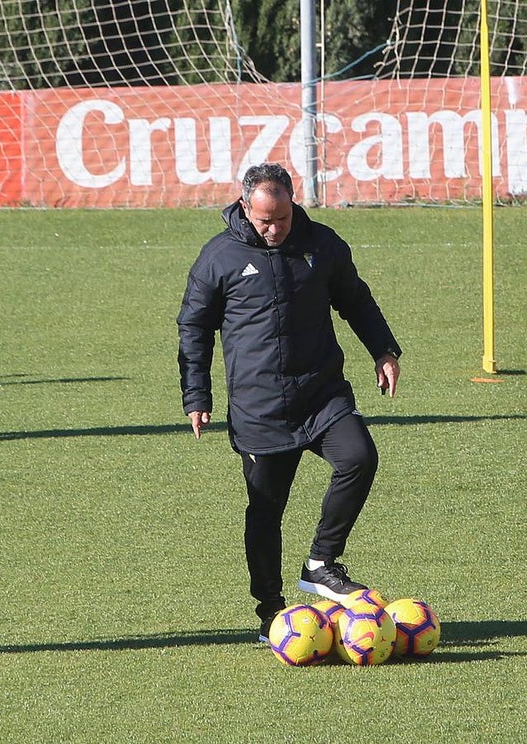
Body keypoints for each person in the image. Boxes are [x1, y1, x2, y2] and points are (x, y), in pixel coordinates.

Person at [177, 162, 402, 640]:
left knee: (359, 457)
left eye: (282, 218)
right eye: (265, 221)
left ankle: (321, 561)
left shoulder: (321, 244)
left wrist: (383, 349)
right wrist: (196, 394)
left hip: (322, 393)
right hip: (260, 407)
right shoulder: (219, 257)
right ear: (244, 208)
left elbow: (355, 299)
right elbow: (194, 328)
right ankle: (271, 611)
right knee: (265, 510)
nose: (276, 228)